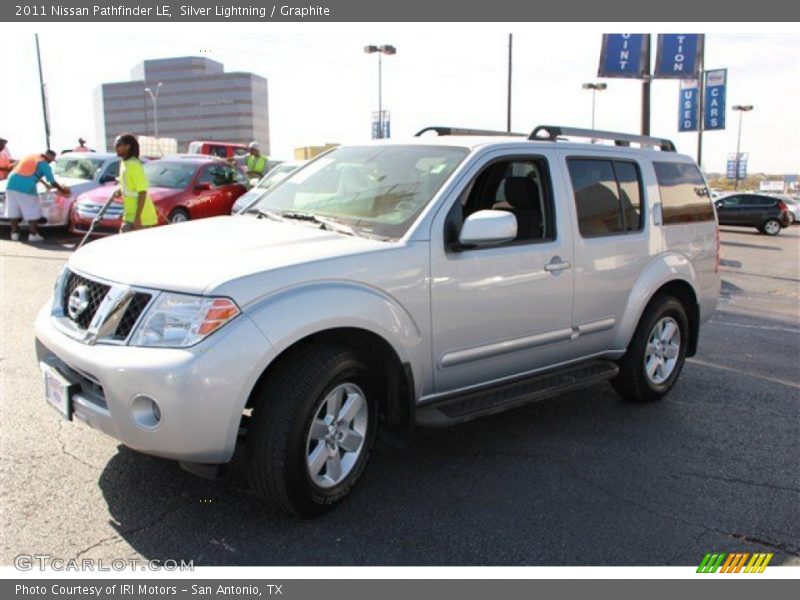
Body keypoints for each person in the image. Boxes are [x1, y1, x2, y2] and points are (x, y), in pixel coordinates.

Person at [5, 150, 70, 242]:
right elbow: (52, 181)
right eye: (51, 161)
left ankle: (14, 234)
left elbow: (30, 172)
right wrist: (63, 191)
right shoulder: (44, 164)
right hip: (26, 187)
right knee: (32, 210)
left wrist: (44, 184)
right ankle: (33, 235)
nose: (51, 162)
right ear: (50, 159)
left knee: (13, 209)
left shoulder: (31, 157)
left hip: (11, 184)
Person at [112, 133, 158, 233]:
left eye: (118, 144)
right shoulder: (124, 163)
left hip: (141, 219)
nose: (115, 147)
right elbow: (130, 186)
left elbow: (142, 192)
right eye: (115, 144)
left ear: (128, 147)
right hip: (129, 216)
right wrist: (121, 191)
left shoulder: (134, 165)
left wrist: (138, 219)